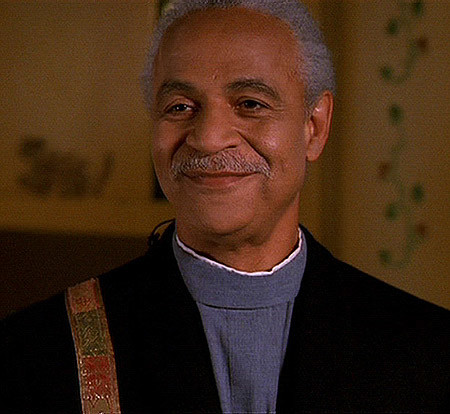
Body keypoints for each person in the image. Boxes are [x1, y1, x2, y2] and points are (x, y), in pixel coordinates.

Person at [1, 1, 449, 413]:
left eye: (250, 104)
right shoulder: (39, 352)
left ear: (314, 127)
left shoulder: (427, 351)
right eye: (180, 106)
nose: (209, 138)